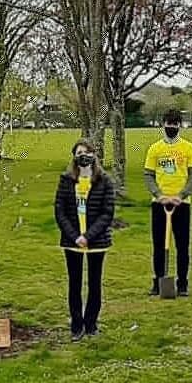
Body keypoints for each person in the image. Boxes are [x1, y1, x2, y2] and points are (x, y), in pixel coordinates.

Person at [55, 140, 116, 341]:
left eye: (88, 152)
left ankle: (91, 324)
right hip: (72, 241)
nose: (84, 155)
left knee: (94, 283)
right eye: (80, 152)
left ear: (94, 155)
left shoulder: (104, 181)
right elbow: (60, 210)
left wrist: (88, 236)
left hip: (97, 242)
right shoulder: (66, 180)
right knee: (74, 283)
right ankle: (76, 325)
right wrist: (75, 237)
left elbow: (107, 213)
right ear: (74, 156)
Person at [143, 109, 192, 296]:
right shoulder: (155, 149)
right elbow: (149, 175)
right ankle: (158, 281)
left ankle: (182, 283)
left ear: (179, 126)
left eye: (175, 124)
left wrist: (181, 195)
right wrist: (159, 195)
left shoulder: (188, 148)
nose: (171, 127)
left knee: (182, 245)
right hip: (159, 204)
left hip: (181, 204)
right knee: (159, 244)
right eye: (168, 123)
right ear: (163, 124)